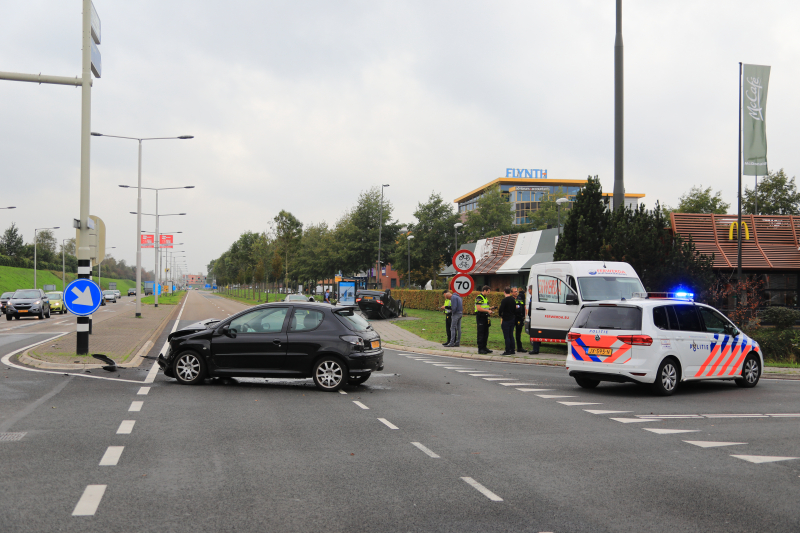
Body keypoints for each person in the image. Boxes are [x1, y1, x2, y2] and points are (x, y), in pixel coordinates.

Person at [474, 285, 495, 354]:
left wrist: (490, 308)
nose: (488, 293)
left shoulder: (485, 298)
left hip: (485, 317)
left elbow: (485, 307)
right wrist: (488, 311)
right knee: (481, 333)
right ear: (485, 291)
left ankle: (484, 347)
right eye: (488, 292)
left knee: (486, 333)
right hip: (480, 317)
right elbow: (479, 308)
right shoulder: (479, 298)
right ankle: (480, 349)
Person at [498, 287, 517, 355]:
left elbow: (501, 309)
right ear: (510, 292)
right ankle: (512, 350)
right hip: (512, 319)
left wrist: (501, 315)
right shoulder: (513, 299)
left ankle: (507, 350)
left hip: (506, 319)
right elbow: (515, 309)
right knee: (511, 335)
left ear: (504, 292)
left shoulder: (504, 300)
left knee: (506, 336)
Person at [526, 284, 541, 354]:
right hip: (532, 316)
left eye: (529, 289)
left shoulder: (534, 297)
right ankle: (536, 348)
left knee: (534, 333)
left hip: (533, 317)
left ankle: (535, 349)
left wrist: (531, 315)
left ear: (531, 290)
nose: (528, 290)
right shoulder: (533, 297)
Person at [513, 287, 526, 352]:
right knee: (510, 333)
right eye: (515, 291)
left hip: (519, 318)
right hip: (512, 318)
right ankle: (511, 347)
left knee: (518, 334)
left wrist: (523, 316)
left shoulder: (520, 298)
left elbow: (522, 307)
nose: (516, 292)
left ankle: (519, 348)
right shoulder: (510, 299)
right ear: (511, 292)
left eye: (517, 291)